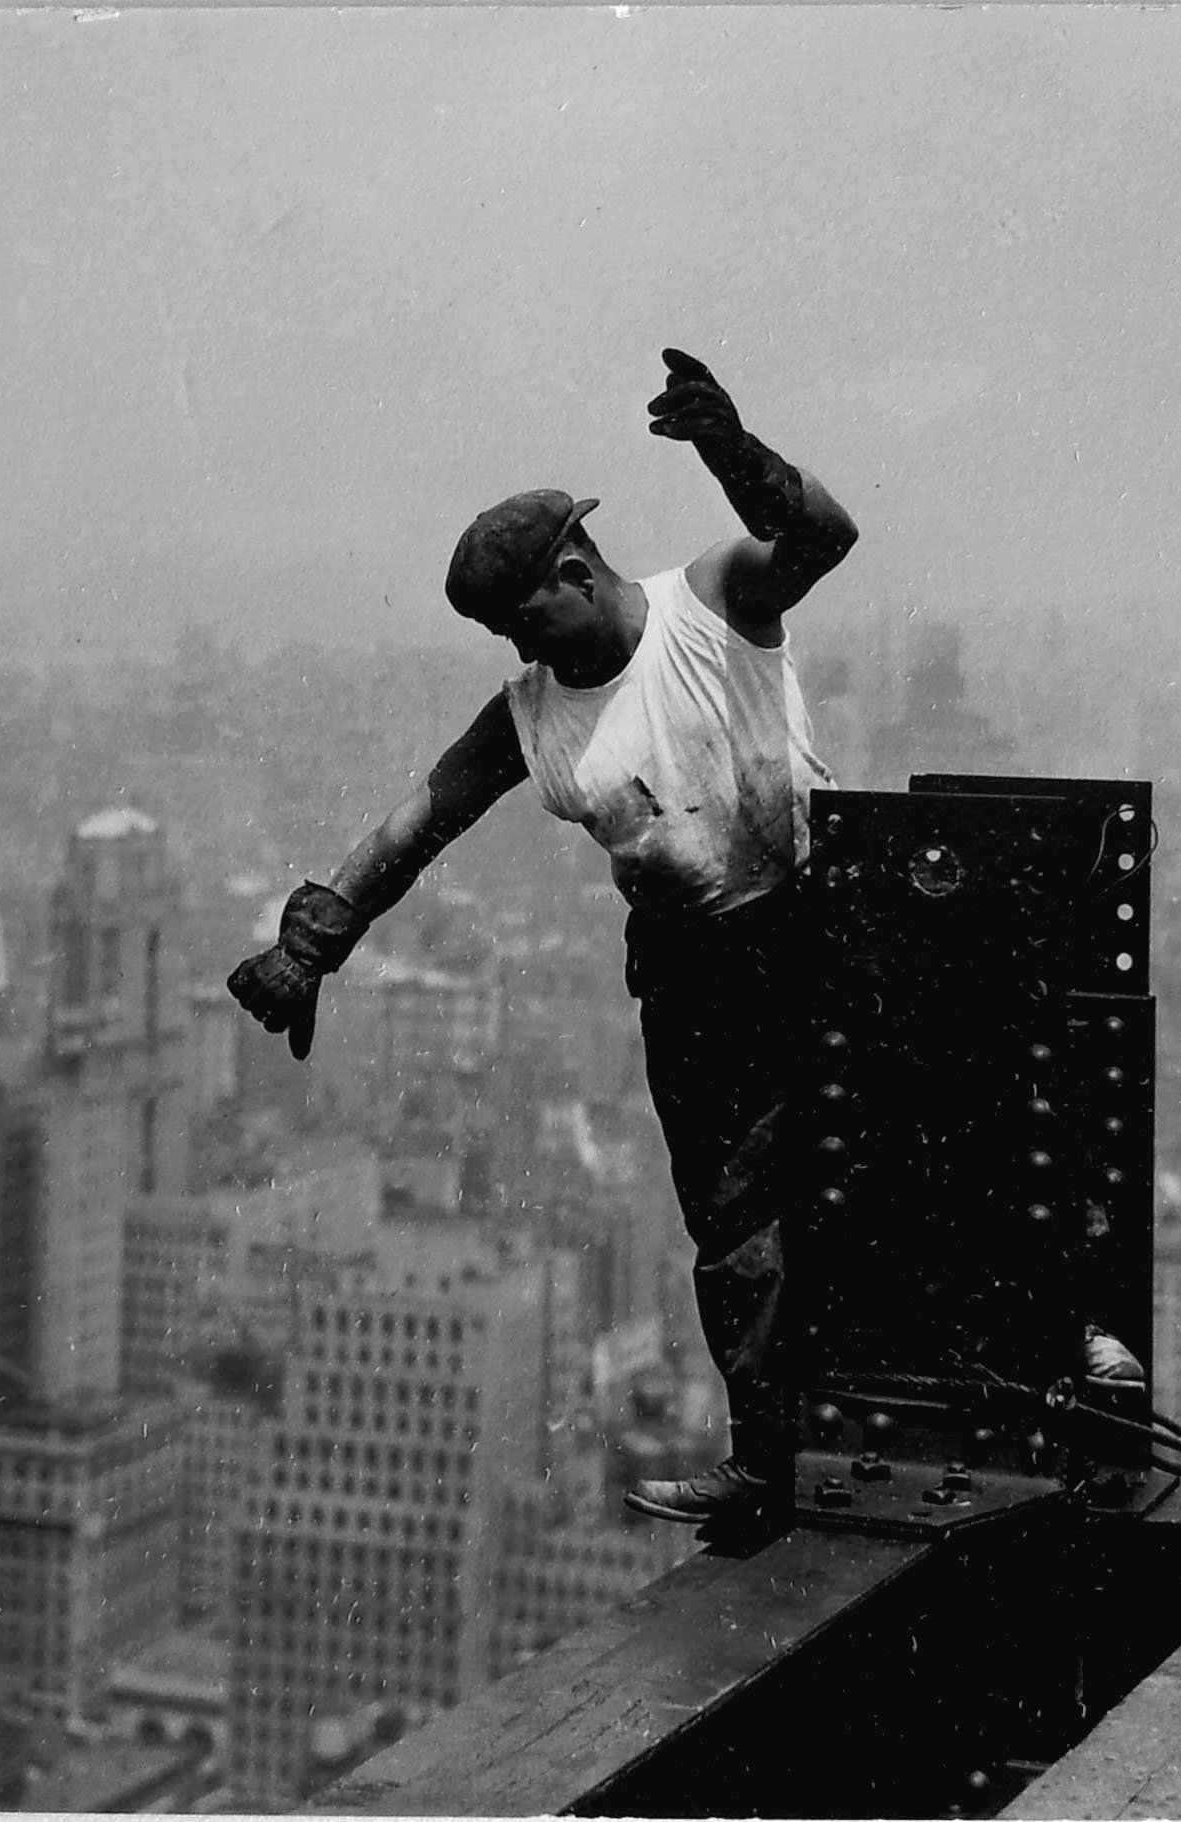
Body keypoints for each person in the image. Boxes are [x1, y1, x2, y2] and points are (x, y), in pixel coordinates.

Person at [227, 347, 855, 1523]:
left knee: (885, 1170)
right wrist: (314, 940)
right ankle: (769, 1462)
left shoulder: (709, 601)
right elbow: (423, 818)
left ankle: (1035, 1360)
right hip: (691, 973)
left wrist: (731, 447)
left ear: (576, 567)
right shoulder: (531, 713)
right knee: (732, 1224)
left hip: (818, 928)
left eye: (527, 619)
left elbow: (823, 537)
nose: (524, 651)